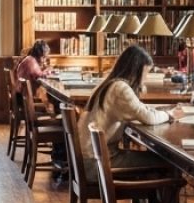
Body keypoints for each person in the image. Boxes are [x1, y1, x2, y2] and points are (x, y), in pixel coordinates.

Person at [77, 44, 183, 181]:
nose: (145, 79)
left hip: (89, 159)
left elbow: (139, 109)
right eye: (145, 74)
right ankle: (160, 201)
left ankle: (149, 200)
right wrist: (170, 114)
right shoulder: (120, 89)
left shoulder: (109, 83)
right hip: (96, 164)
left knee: (156, 160)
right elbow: (148, 117)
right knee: (168, 162)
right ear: (135, 71)